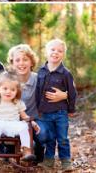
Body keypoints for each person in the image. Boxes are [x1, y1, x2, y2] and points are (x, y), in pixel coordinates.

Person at [7, 43, 68, 163]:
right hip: (13, 118)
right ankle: (8, 147)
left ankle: (39, 147)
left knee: (45, 134)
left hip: (35, 118)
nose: (21, 63)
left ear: (31, 62)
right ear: (12, 63)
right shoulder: (8, 80)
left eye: (25, 59)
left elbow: (68, 88)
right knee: (9, 132)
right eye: (17, 60)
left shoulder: (39, 78)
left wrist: (64, 95)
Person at [36, 39, 77, 169]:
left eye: (60, 51)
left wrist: (71, 109)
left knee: (63, 138)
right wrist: (37, 109)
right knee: (50, 139)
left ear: (63, 54)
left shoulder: (66, 74)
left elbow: (72, 93)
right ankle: (48, 161)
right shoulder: (41, 71)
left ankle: (66, 162)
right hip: (45, 113)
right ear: (46, 52)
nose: (55, 53)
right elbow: (37, 91)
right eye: (52, 49)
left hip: (61, 112)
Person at [0, 71, 35, 162]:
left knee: (24, 127)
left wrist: (32, 122)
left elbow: (24, 116)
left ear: (17, 91)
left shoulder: (18, 102)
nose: (8, 92)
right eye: (5, 88)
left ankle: (26, 151)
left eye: (12, 90)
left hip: (13, 125)